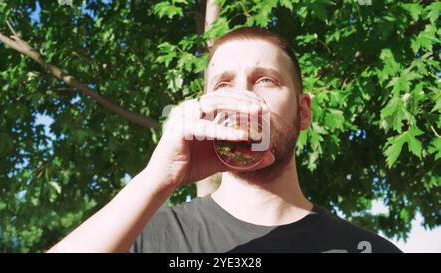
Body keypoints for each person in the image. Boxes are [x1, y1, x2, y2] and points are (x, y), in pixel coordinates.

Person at [48, 27, 401, 253]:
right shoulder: (146, 236)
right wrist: (156, 179)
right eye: (224, 85)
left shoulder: (366, 249)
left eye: (265, 80)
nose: (244, 98)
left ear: (303, 111)